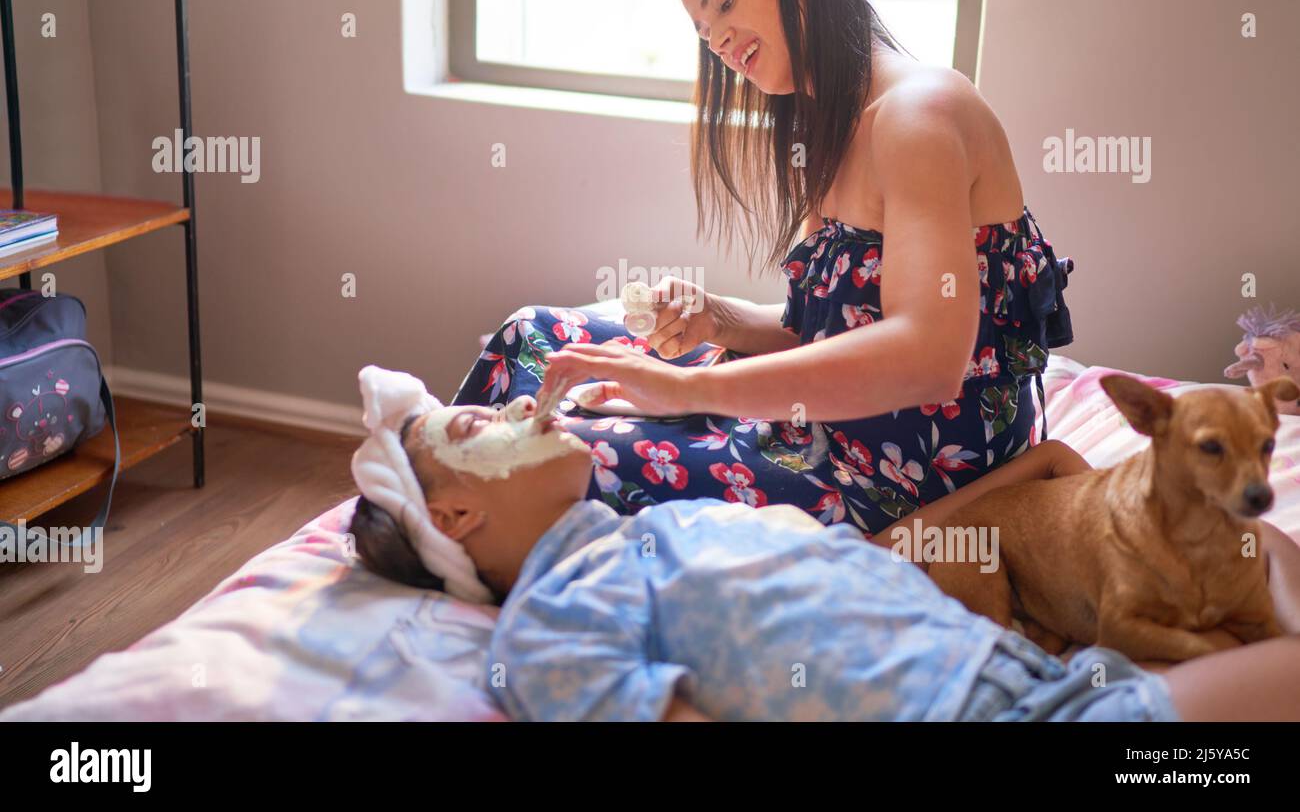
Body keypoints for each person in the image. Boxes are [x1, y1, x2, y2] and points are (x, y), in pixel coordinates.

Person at [453, 0, 1075, 537]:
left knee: (573, 453)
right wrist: (714, 318)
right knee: (529, 340)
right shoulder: (830, 128)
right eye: (703, 30)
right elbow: (821, 337)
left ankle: (440, 520)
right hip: (821, 422)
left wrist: (684, 391)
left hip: (893, 469)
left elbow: (928, 356)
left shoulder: (920, 114)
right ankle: (439, 498)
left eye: (725, 3)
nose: (717, 41)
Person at [346, 381, 1300, 722]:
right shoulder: (556, 611)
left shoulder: (667, 526)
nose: (520, 405)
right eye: (478, 423)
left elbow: (880, 554)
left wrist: (1036, 474)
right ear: (456, 519)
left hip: (1063, 684)